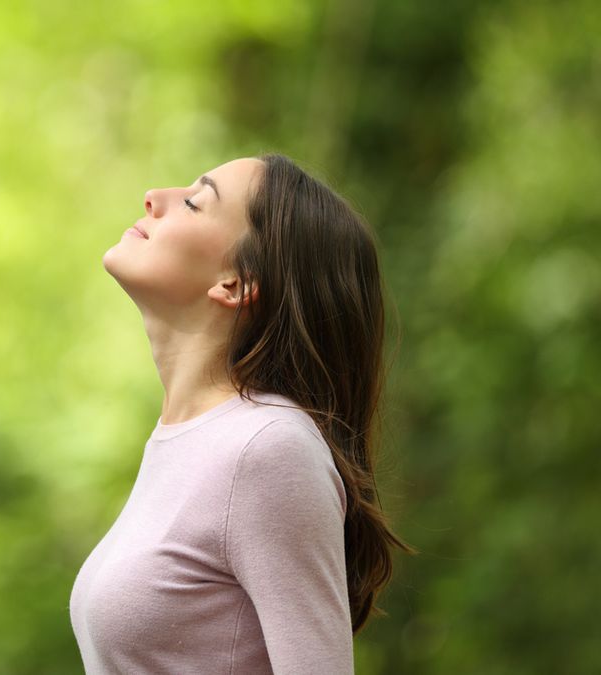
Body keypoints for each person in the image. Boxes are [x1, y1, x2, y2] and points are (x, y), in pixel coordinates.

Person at [69, 153, 416, 674]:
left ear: (236, 283)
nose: (153, 198)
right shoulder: (189, 441)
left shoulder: (267, 448)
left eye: (193, 202)